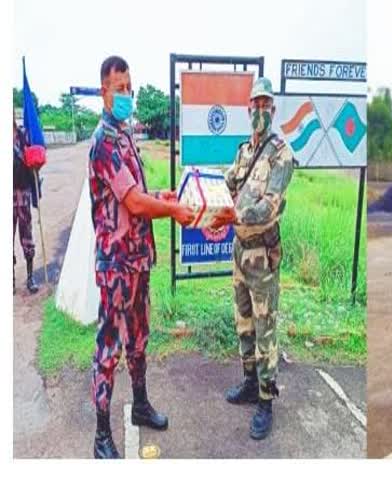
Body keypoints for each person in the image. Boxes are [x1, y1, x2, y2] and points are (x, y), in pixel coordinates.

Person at [88, 55, 195, 459]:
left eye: (129, 88)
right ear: (104, 91)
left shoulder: (126, 134)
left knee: (139, 340)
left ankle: (141, 404)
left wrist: (165, 196)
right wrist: (172, 211)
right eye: (120, 89)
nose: (127, 95)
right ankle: (101, 435)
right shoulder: (104, 140)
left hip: (138, 261)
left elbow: (139, 191)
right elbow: (132, 201)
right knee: (109, 348)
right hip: (116, 266)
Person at [210, 77, 295, 441]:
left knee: (265, 329)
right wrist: (206, 205)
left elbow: (268, 206)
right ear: (248, 110)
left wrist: (233, 216)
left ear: (273, 110)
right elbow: (226, 185)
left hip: (262, 252)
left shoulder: (282, 154)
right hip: (239, 251)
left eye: (266, 105)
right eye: (255, 104)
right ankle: (248, 383)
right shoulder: (244, 151)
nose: (260, 110)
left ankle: (266, 400)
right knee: (243, 322)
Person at [13, 119, 39, 294]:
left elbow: (33, 159)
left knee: (26, 235)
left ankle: (30, 277)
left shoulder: (23, 136)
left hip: (23, 191)